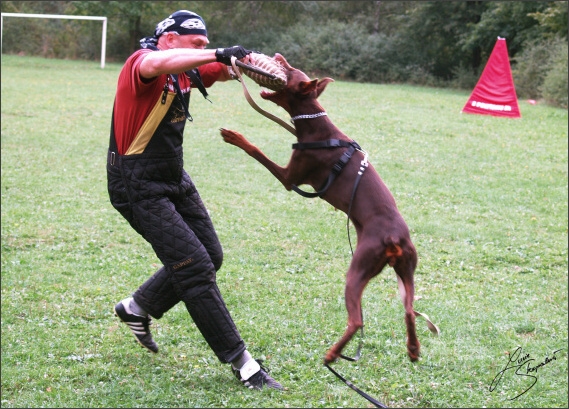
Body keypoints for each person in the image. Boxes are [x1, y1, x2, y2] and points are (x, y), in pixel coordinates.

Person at [106, 10, 282, 391]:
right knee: (195, 267)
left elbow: (220, 69)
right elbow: (159, 62)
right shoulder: (144, 62)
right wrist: (218, 51)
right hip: (136, 184)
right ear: (169, 38)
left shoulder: (185, 72)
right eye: (196, 43)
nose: (203, 49)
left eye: (206, 43)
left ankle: (137, 307)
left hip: (173, 176)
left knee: (210, 255)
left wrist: (251, 64)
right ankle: (245, 366)